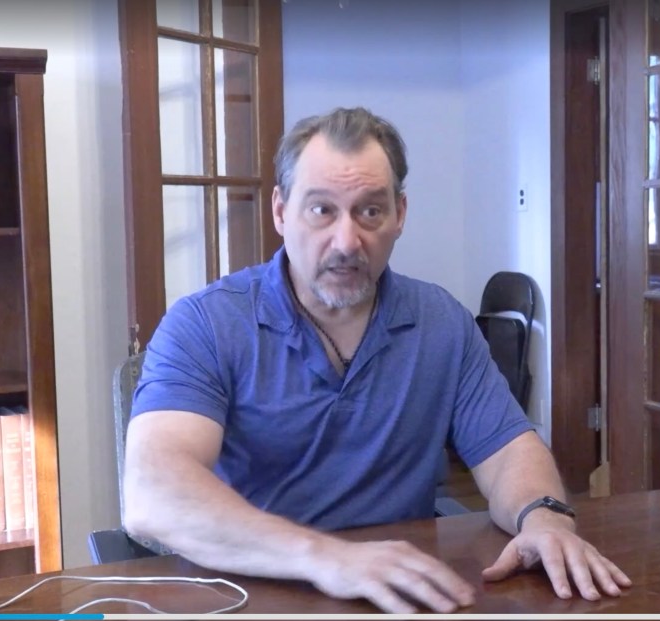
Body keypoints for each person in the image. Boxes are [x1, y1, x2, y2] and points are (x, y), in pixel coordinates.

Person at [123, 106, 631, 614]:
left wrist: (542, 517)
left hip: (397, 592)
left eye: (370, 211)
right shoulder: (206, 323)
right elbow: (153, 491)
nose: (347, 242)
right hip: (253, 590)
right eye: (321, 210)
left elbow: (507, 455)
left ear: (400, 214)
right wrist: (327, 558)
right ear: (280, 211)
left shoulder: (441, 321)